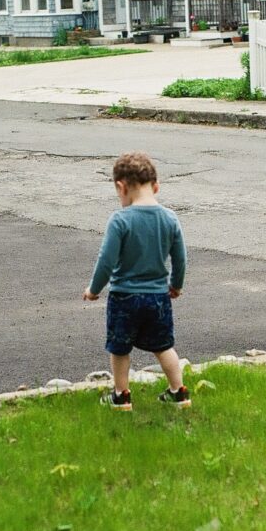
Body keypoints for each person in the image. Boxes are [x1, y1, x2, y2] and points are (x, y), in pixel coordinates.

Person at [83, 151, 190, 411]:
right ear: (156, 186)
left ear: (121, 187)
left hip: (124, 297)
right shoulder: (169, 218)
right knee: (164, 345)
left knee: (120, 348)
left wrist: (94, 289)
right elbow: (180, 258)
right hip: (158, 297)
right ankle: (178, 392)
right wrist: (176, 285)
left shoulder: (120, 220)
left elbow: (106, 261)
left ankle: (121, 395)